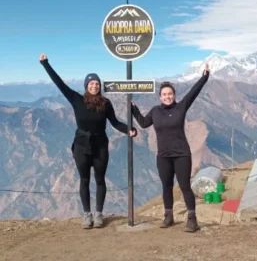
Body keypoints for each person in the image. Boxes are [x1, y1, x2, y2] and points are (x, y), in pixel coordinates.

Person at [39, 53, 137, 229]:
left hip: (100, 145)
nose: (94, 85)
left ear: (100, 86)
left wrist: (128, 130)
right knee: (84, 180)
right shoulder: (77, 99)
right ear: (86, 86)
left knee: (100, 180)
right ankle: (87, 215)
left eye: (97, 83)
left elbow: (114, 122)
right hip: (81, 145)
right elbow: (59, 83)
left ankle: (99, 214)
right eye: (91, 83)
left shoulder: (105, 103)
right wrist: (45, 64)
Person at [131, 63, 210, 232]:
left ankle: (192, 219)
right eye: (164, 94)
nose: (167, 97)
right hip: (163, 156)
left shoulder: (181, 107)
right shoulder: (155, 111)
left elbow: (193, 93)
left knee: (184, 186)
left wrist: (204, 77)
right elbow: (144, 123)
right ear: (160, 97)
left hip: (182, 154)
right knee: (166, 187)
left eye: (170, 94)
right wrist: (133, 108)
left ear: (174, 95)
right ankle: (168, 216)